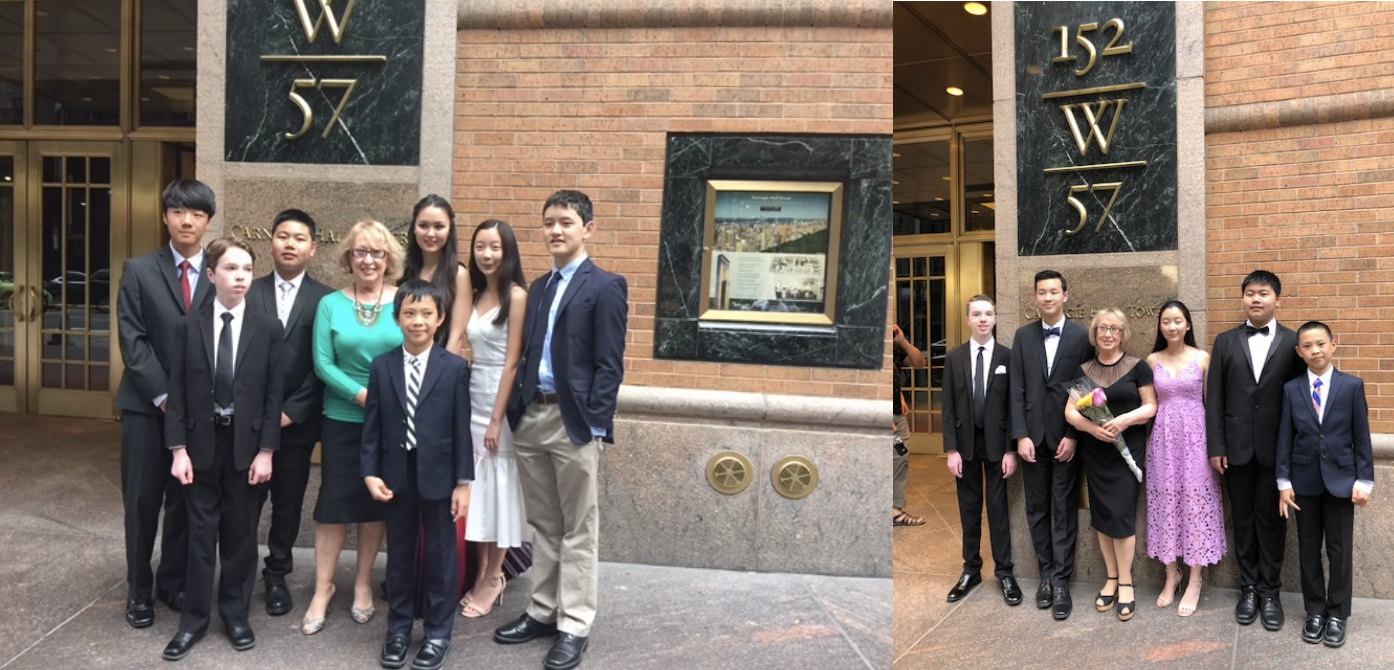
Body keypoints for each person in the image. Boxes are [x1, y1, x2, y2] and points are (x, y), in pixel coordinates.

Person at [494, 190, 627, 670]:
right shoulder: (541, 286)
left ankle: (574, 624)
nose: (555, 230)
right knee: (545, 525)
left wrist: (593, 423)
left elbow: (610, 365)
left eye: (566, 222)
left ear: (587, 228)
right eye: (549, 222)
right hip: (532, 416)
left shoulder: (606, 285)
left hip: (572, 423)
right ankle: (543, 610)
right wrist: (518, 409)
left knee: (579, 528)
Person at [160, 238, 284, 661]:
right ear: (211, 275)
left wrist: (267, 451)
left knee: (240, 536)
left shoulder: (268, 327)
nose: (241, 277)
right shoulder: (187, 326)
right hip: (199, 447)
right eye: (231, 269)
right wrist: (178, 450)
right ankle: (192, 622)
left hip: (246, 448)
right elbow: (176, 392)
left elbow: (273, 396)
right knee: (198, 537)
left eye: (247, 269)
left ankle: (235, 615)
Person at [115, 178, 217, 628]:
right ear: (165, 216)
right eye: (178, 211)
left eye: (196, 213)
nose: (187, 220)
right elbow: (133, 341)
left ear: (208, 221)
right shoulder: (138, 270)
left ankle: (171, 581)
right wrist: (164, 397)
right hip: (144, 408)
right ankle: (138, 591)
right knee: (141, 502)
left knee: (182, 501)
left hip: (197, 416)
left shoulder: (221, 274)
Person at [363, 280, 474, 670]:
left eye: (427, 313)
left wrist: (463, 483)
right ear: (397, 318)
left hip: (441, 475)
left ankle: (439, 632)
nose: (418, 321)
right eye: (409, 313)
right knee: (401, 555)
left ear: (440, 318)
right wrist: (370, 472)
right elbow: (372, 426)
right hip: (396, 474)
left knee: (443, 557)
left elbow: (463, 429)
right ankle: (398, 628)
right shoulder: (383, 366)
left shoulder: (455, 367)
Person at [304, 220, 405, 634]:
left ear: (389, 260)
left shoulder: (403, 301)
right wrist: (362, 396)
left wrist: (385, 402)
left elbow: (412, 353)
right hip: (342, 419)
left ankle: (363, 583)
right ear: (349, 257)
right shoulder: (330, 304)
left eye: (377, 253)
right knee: (334, 504)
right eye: (360, 251)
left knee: (374, 505)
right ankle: (322, 588)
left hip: (389, 423)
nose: (368, 259)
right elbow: (322, 363)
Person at [246, 209, 334, 617]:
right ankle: (240, 572)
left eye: (299, 238)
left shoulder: (325, 300)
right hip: (248, 424)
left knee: (287, 504)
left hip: (296, 426)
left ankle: (277, 574)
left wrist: (292, 412)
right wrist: (259, 413)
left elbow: (325, 364)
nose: (290, 244)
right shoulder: (249, 290)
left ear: (313, 248)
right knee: (245, 502)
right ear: (271, 242)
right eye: (283, 236)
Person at [1206, 270, 1305, 631]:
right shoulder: (1226, 341)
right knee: (1244, 521)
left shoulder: (1295, 342)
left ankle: (1270, 592)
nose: (1256, 299)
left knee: (1274, 523)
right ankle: (1248, 588)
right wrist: (1215, 445)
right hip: (1235, 450)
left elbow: (1300, 401)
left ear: (1278, 300)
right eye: (1250, 293)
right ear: (1243, 299)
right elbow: (1213, 397)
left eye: (1263, 293)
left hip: (1278, 451)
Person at [1277, 321, 1374, 648]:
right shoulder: (1291, 389)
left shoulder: (1352, 386)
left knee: (1339, 549)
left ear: (1334, 344)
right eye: (1307, 346)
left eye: (1320, 343)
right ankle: (1314, 611)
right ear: (1298, 351)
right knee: (1307, 550)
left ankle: (1337, 614)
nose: (1315, 350)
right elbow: (1285, 439)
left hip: (1342, 482)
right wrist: (1283, 481)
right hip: (1303, 483)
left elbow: (1361, 436)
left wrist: (1364, 480)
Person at [1009, 270, 1094, 620]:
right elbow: (1016, 389)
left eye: (1053, 291)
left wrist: (1075, 435)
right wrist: (1021, 435)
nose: (1047, 297)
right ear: (1035, 298)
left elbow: (1086, 389)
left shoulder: (1081, 336)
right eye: (1041, 292)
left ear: (1066, 296)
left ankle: (1061, 581)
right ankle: (1045, 573)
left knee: (1063, 508)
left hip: (1065, 438)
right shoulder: (1022, 336)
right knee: (1037, 509)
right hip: (1032, 438)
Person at [1064, 308, 1157, 622]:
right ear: (1095, 333)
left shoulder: (1137, 366)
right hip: (1097, 453)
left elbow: (1151, 406)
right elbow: (1071, 412)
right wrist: (1093, 429)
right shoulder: (1085, 368)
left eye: (1114, 329)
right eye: (1102, 328)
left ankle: (1127, 581)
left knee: (1121, 516)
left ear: (1123, 333)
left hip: (1127, 452)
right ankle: (1111, 578)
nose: (1107, 334)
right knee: (1102, 517)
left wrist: (1124, 420)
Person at [460, 220, 529, 618]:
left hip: (498, 401)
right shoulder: (475, 292)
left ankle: (494, 576)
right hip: (472, 393)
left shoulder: (516, 296)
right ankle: (482, 570)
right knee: (478, 487)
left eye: (495, 248)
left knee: (500, 488)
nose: (487, 254)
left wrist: (496, 419)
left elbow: (512, 362)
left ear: (508, 252)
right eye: (481, 247)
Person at [1144, 300, 1224, 617]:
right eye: (1166, 321)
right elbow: (1149, 406)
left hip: (1197, 440)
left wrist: (1217, 447)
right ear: (1160, 326)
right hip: (1163, 440)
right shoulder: (1151, 360)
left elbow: (1212, 404)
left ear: (1188, 324)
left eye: (1178, 320)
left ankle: (1194, 580)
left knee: (1195, 504)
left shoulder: (1203, 358)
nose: (1172, 326)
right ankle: (1170, 574)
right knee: (1166, 505)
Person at [941, 295, 1019, 605]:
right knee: (969, 510)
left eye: (988, 313)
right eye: (977, 314)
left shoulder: (1007, 357)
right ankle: (971, 570)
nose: (983, 318)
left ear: (996, 318)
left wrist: (1011, 450)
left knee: (998, 510)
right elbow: (946, 407)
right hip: (965, 447)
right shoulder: (954, 358)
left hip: (998, 447)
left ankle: (1005, 572)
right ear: (968, 319)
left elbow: (1014, 406)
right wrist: (950, 450)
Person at [402, 194, 471, 353]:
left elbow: (456, 336)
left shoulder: (458, 275)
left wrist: (439, 374)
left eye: (439, 227)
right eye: (424, 225)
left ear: (450, 230)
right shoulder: (404, 272)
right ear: (414, 228)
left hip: (441, 367)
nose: (430, 234)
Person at [892, 323, 926, 527]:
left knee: (899, 459)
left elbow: (919, 362)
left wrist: (902, 341)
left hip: (896, 413)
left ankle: (894, 508)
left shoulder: (894, 349)